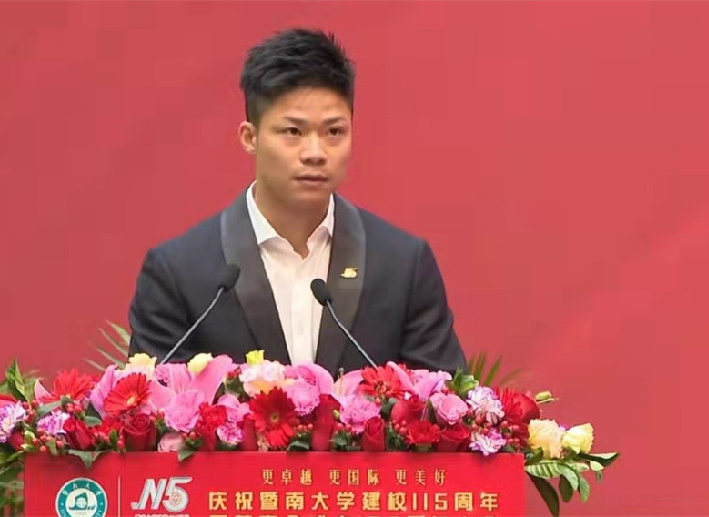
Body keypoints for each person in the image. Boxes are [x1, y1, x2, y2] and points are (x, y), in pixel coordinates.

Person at [127, 28, 467, 376]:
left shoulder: (402, 265)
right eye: (293, 132)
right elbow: (159, 403)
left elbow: (443, 399)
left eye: (334, 132)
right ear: (250, 137)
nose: (315, 153)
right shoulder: (179, 272)